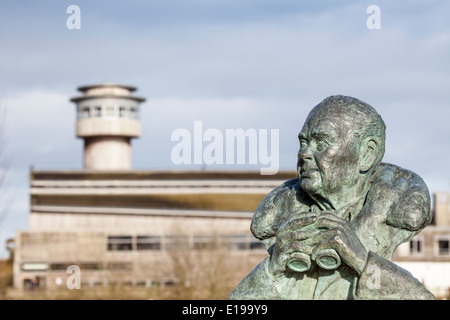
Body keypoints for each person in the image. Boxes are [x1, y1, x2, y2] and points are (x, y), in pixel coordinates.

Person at [229, 95, 434, 300]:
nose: (304, 154)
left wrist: (362, 261)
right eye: (303, 142)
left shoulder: (392, 214)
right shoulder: (281, 220)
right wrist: (272, 272)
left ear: (367, 154)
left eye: (321, 143)